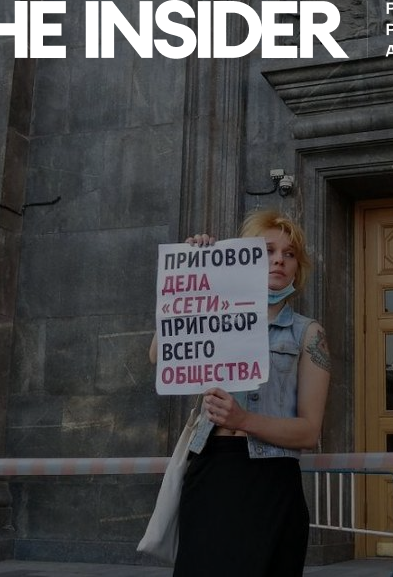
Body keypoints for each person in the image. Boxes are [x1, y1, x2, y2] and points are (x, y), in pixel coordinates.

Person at [148, 209, 331, 577]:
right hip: (210, 470)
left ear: (298, 268)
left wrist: (244, 419)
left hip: (271, 481)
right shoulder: (214, 313)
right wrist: (194, 276)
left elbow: (309, 432)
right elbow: (158, 354)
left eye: (289, 254)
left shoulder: (308, 334)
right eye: (267, 250)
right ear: (244, 257)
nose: (279, 260)